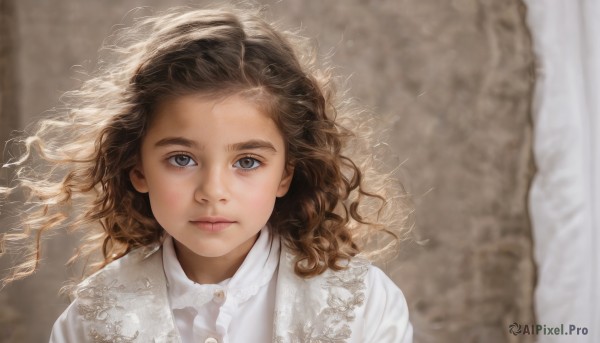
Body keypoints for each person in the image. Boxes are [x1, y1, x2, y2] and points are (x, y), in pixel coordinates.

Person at [0, 5, 413, 343]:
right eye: (182, 159)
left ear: (285, 175)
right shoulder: (89, 322)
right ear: (137, 169)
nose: (213, 192)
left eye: (247, 162)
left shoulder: (363, 304)